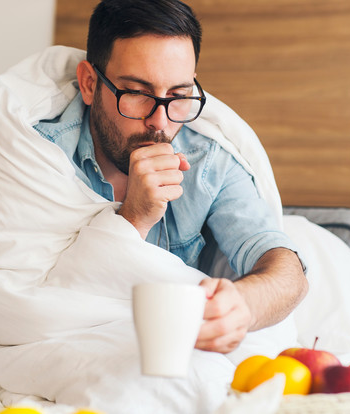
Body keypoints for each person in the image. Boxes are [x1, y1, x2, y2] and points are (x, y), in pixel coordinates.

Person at [35, 0, 306, 354]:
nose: (160, 123)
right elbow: (26, 300)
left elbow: (285, 268)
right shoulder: (40, 155)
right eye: (135, 93)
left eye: (178, 96)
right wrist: (134, 218)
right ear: (89, 84)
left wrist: (244, 305)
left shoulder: (209, 163)